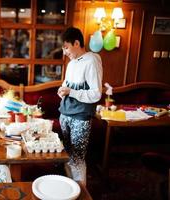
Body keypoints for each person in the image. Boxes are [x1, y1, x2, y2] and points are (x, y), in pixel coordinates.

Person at [57, 27, 103, 185]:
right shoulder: (71, 64)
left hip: (80, 117)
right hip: (65, 113)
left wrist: (71, 92)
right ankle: (70, 188)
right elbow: (66, 85)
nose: (65, 52)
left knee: (77, 158)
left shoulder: (92, 60)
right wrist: (62, 90)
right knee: (67, 155)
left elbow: (96, 93)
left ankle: (82, 193)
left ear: (77, 43)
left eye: (66, 47)